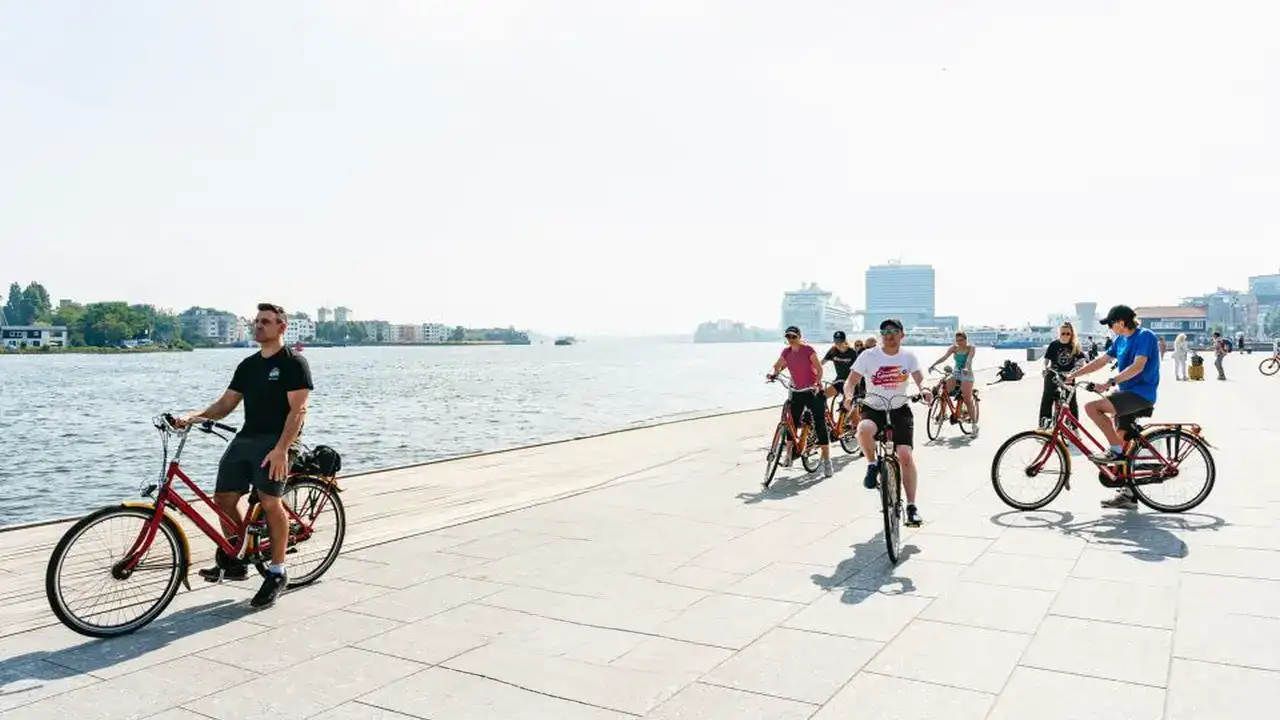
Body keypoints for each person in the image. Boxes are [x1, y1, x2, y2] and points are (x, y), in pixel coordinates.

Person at [176, 303, 314, 608]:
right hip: (248, 437)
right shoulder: (248, 365)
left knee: (269, 501)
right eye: (256, 322)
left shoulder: (294, 363)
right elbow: (225, 404)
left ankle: (277, 571)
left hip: (279, 441)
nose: (258, 326)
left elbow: (298, 410)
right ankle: (238, 556)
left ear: (282, 327)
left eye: (265, 322)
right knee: (223, 497)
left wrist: (281, 450)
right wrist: (193, 417)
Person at [1066, 304, 1160, 509]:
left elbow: (1138, 366)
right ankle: (1128, 494)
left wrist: (1111, 382)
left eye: (1111, 324)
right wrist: (1073, 375)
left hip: (1140, 394)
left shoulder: (1145, 336)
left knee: (1092, 408)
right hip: (1125, 394)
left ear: (1121, 322)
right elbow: (1101, 361)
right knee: (1121, 439)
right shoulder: (1120, 340)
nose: (1109, 328)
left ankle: (1115, 451)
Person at [843, 318, 932, 526]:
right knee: (864, 429)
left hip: (900, 409)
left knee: (905, 455)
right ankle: (872, 464)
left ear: (902, 334)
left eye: (893, 331)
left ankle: (911, 506)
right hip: (874, 408)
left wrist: (925, 389)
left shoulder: (908, 356)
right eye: (884, 332)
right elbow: (850, 381)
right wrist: (848, 396)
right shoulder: (868, 355)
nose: (888, 335)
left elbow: (920, 378)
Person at [767, 326, 833, 478]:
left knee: (820, 423)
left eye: (793, 337)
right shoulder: (787, 352)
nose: (791, 340)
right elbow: (778, 366)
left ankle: (827, 461)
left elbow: (819, 369)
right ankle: (788, 455)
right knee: (792, 423)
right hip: (797, 391)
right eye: (788, 337)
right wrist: (773, 374)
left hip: (812, 391)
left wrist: (817, 383)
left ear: (799, 336)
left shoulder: (808, 349)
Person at [927, 330, 978, 433]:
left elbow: (968, 360)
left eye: (961, 340)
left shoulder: (970, 348)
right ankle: (943, 414)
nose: (959, 342)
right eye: (957, 340)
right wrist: (933, 365)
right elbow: (944, 357)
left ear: (965, 339)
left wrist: (966, 368)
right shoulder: (953, 348)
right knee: (944, 392)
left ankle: (974, 425)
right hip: (956, 373)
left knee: (967, 399)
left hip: (967, 374)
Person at [1039, 322, 1085, 427]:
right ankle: (1044, 422)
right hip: (1053, 374)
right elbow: (1046, 359)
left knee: (1071, 400)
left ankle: (1073, 425)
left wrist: (1075, 371)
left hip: (1069, 375)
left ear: (1072, 334)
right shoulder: (1054, 344)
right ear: (1059, 333)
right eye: (1062, 333)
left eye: (1068, 333)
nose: (1065, 336)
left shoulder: (1075, 346)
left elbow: (1081, 360)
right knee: (1047, 396)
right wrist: (1044, 369)